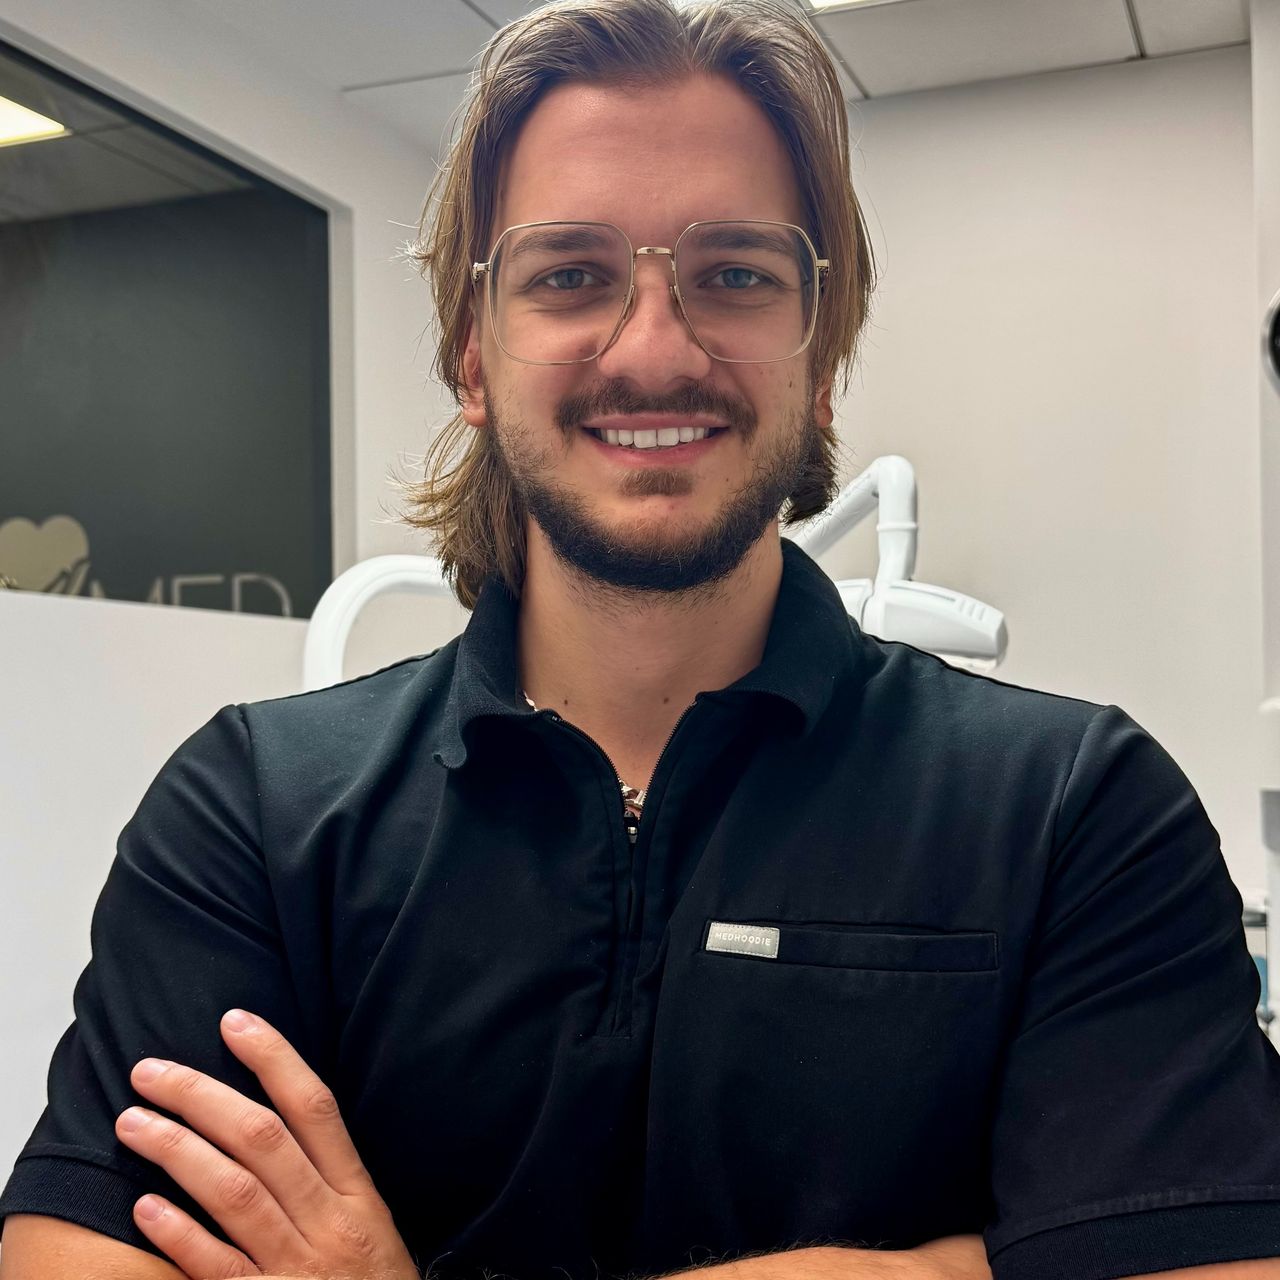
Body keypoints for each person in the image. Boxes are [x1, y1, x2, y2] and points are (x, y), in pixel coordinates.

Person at [3, 1, 1280, 1277]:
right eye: (569, 274)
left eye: (734, 274)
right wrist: (937, 1266)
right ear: (474, 356)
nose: (655, 350)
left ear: (819, 352)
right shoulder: (252, 811)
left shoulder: (1072, 812)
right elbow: (73, 1253)